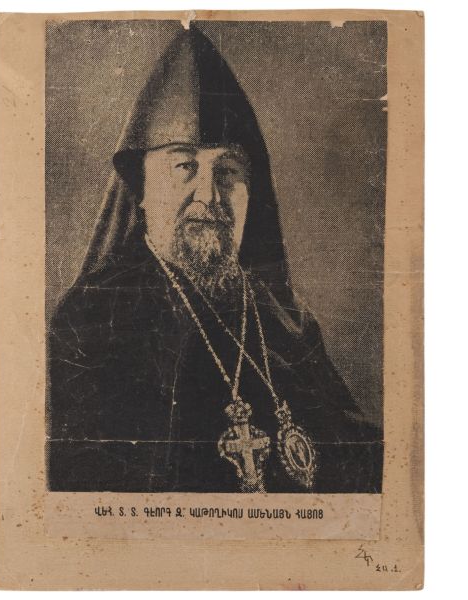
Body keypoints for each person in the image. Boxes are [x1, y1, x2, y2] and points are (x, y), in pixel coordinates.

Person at [47, 26, 382, 493]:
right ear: (141, 190)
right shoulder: (92, 318)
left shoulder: (284, 317)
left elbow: (358, 457)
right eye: (185, 166)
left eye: (227, 171)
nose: (209, 195)